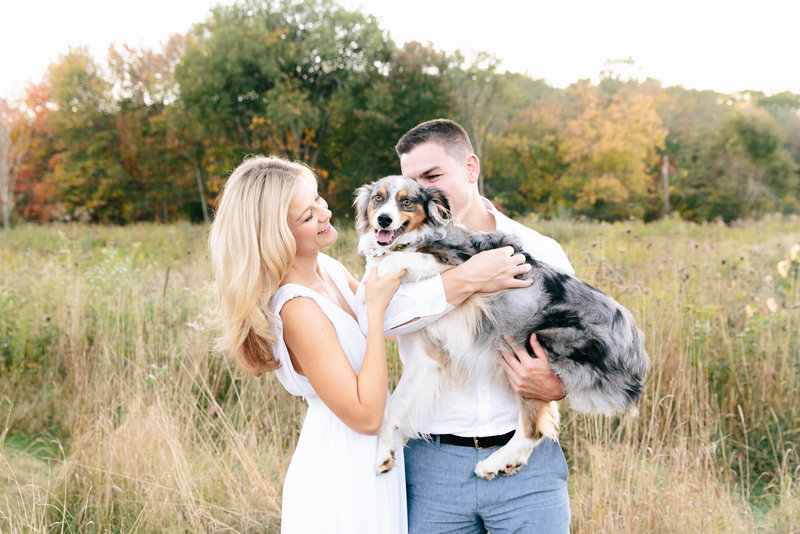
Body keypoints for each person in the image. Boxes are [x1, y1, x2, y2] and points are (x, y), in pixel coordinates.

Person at [380, 119, 573, 533]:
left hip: (530, 470)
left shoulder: (541, 249)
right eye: (411, 182)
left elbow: (573, 343)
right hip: (433, 467)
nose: (421, 192)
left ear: (470, 168)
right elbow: (379, 320)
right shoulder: (393, 251)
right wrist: (471, 278)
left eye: (432, 176)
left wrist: (557, 385)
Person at [208, 156, 408, 533]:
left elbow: (399, 322)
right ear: (276, 237)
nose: (325, 211)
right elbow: (366, 416)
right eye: (307, 216)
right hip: (343, 473)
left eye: (318, 198)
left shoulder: (328, 268)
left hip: (375, 463)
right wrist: (377, 309)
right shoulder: (298, 307)